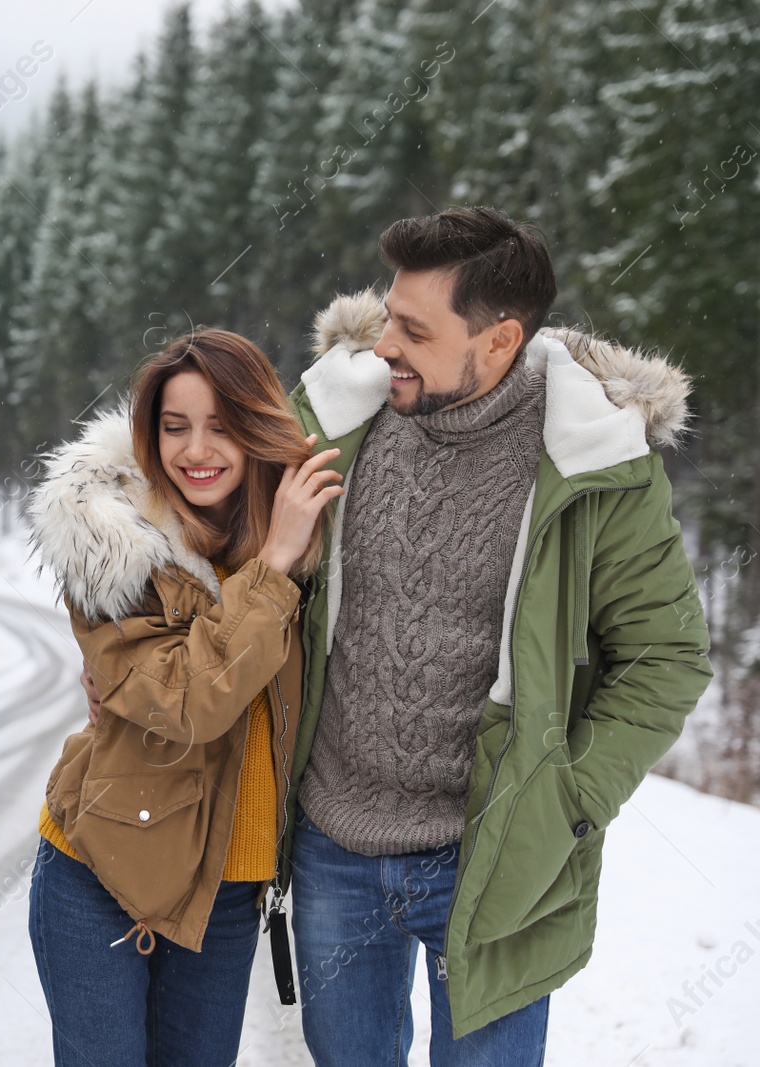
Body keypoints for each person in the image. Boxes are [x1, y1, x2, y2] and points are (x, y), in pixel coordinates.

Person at [273, 207, 713, 1064]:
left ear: (501, 339)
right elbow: (198, 511)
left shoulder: (595, 463)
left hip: (494, 854)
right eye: (388, 315)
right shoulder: (335, 421)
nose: (384, 344)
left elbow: (668, 657)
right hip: (334, 845)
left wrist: (566, 798)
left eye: (413, 329)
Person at [25, 328, 341, 1066]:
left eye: (222, 425)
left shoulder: (293, 530)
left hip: (229, 891)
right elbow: (192, 699)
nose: (196, 449)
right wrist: (273, 568)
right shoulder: (113, 543)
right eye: (175, 426)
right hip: (102, 871)